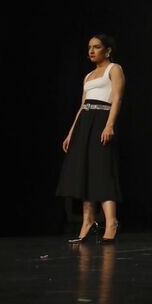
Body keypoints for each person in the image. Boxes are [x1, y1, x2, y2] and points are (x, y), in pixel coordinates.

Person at [56, 34, 125, 243]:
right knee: (84, 172)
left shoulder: (114, 69)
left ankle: (111, 221)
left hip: (102, 119)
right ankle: (88, 221)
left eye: (96, 47)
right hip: (85, 123)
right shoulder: (88, 77)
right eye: (89, 47)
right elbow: (82, 106)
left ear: (108, 50)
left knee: (102, 171)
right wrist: (71, 132)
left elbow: (117, 98)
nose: (91, 51)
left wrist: (110, 124)